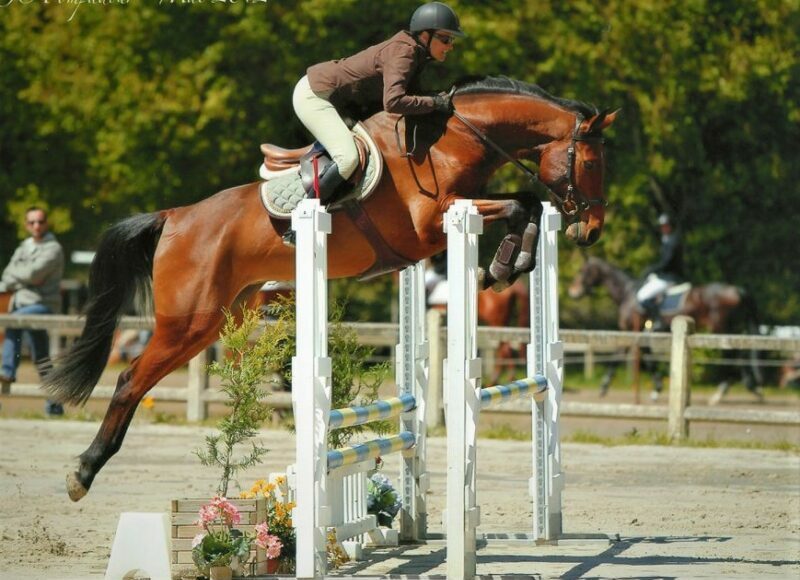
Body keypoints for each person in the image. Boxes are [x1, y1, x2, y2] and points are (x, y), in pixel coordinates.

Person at [285, 2, 465, 245]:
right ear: (425, 34)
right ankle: (302, 217)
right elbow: (393, 102)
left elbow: (411, 98)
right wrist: (434, 103)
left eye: (452, 41)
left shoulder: (417, 53)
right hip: (315, 95)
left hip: (341, 104)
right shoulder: (404, 52)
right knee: (348, 158)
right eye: (445, 39)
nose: (450, 46)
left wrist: (437, 101)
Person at [0, 207, 65, 415]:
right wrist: (22, 276)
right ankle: (54, 406)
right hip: (21, 304)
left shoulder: (53, 248)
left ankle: (7, 371)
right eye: (32, 222)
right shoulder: (23, 247)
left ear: (47, 223)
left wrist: (17, 277)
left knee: (13, 321)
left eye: (40, 221)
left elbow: (34, 275)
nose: (36, 225)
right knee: (42, 357)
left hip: (42, 305)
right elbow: (7, 273)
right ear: (26, 225)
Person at [635, 212, 684, 330]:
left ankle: (657, 321)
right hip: (665, 275)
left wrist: (651, 269)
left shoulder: (672, 241)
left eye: (665, 226)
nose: (663, 228)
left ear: (670, 226)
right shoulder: (667, 240)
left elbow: (666, 263)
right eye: (662, 226)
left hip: (669, 278)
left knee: (642, 296)